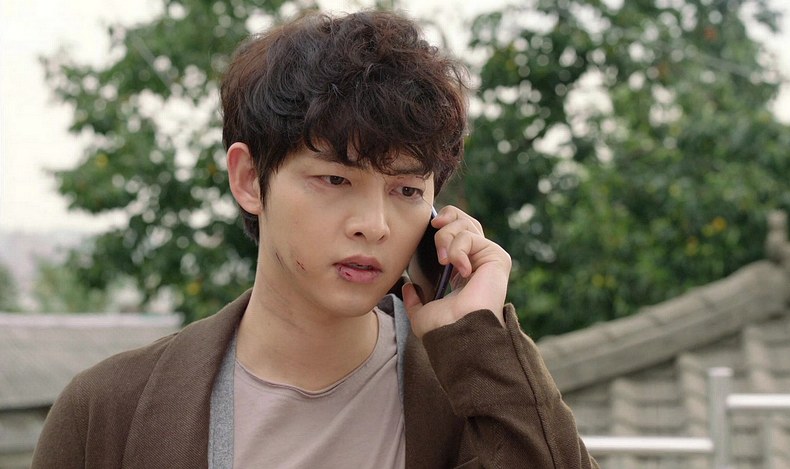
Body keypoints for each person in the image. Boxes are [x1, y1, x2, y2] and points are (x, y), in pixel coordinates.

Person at [32, 10, 598, 469]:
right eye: (335, 180)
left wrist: (478, 336)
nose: (374, 224)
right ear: (249, 180)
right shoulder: (109, 412)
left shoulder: (471, 400)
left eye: (406, 190)